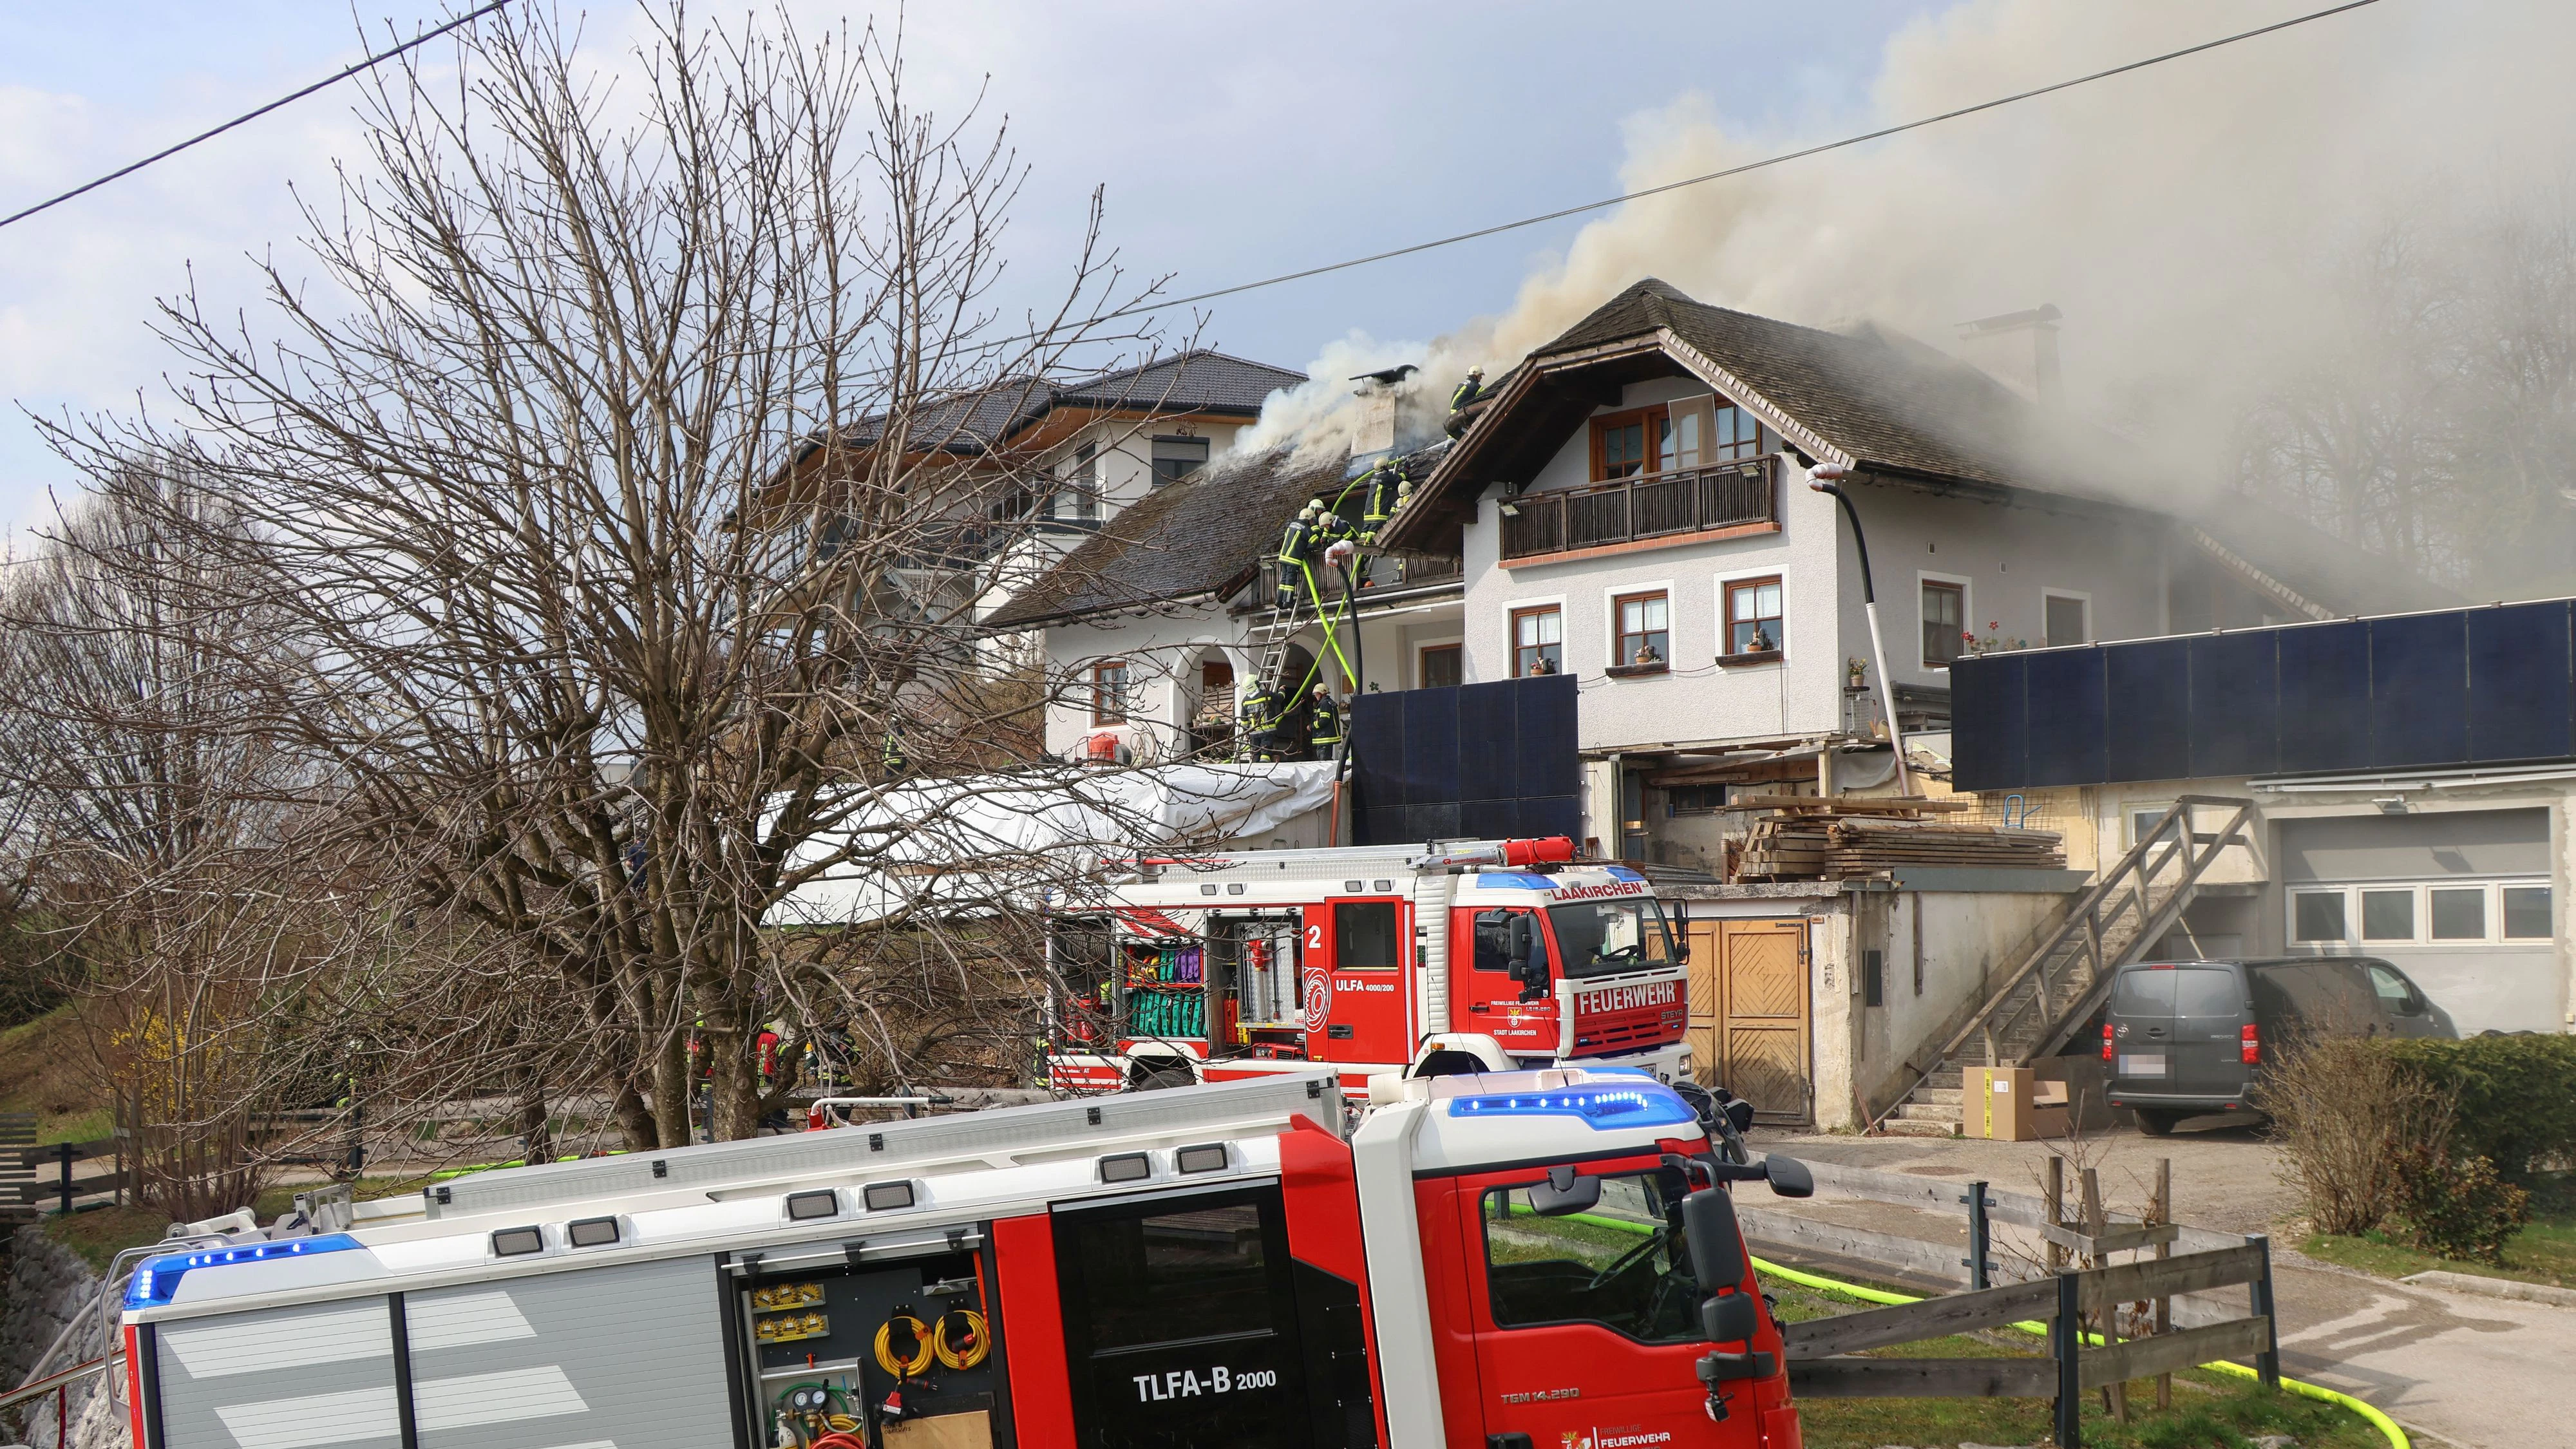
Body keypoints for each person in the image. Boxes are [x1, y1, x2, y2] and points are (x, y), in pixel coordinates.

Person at [1307, 685, 1342, 761]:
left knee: (1324, 761)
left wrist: (1312, 726)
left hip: (1324, 737)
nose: (1315, 696)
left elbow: (1324, 720)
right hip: (1326, 737)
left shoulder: (1324, 704)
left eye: (1316, 694)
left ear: (1321, 693)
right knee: (1325, 759)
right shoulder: (1328, 703)